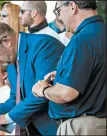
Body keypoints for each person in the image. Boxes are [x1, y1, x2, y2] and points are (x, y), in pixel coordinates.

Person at [32, 1, 106, 135]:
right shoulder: (100, 31)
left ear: (72, 6)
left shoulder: (81, 39)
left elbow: (67, 93)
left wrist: (43, 90)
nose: (59, 18)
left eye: (58, 11)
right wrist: (63, 74)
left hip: (82, 127)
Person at [0, 22, 65, 135]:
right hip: (34, 127)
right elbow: (16, 99)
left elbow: (42, 92)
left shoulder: (43, 45)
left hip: (55, 127)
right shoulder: (10, 58)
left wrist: (7, 117)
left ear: (6, 42)